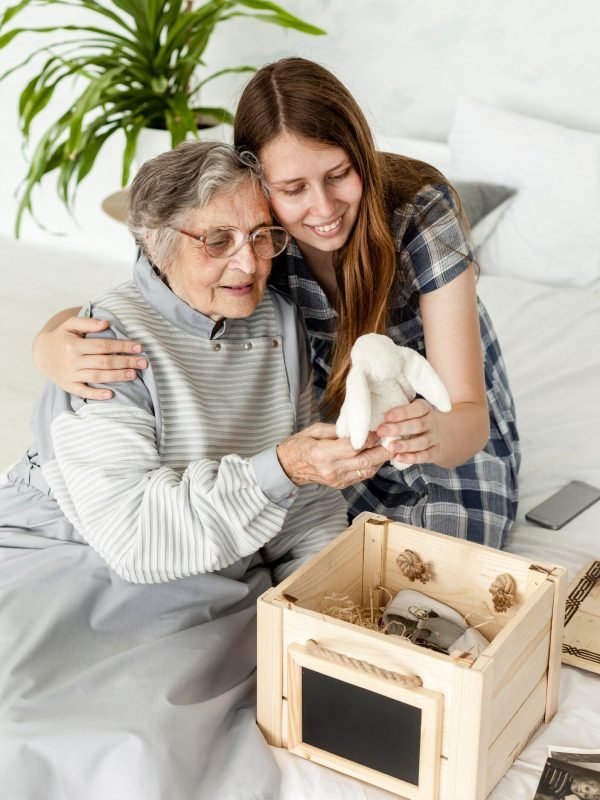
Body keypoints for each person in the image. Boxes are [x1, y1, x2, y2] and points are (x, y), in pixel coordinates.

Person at [32, 57, 520, 548]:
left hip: (441, 414)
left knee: (450, 558)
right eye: (292, 189)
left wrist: (428, 433)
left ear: (361, 155)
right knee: (330, 560)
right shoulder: (251, 238)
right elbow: (151, 297)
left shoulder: (420, 210)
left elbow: (468, 416)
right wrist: (49, 342)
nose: (324, 209)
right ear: (258, 186)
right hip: (335, 418)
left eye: (338, 175)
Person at [0, 141, 351, 799]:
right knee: (30, 730)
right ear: (159, 247)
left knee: (153, 742)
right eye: (216, 240)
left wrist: (327, 601)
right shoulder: (103, 346)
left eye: (261, 235)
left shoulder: (279, 323)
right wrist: (284, 468)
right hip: (80, 552)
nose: (248, 263)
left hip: (208, 566)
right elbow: (134, 538)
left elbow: (304, 500)